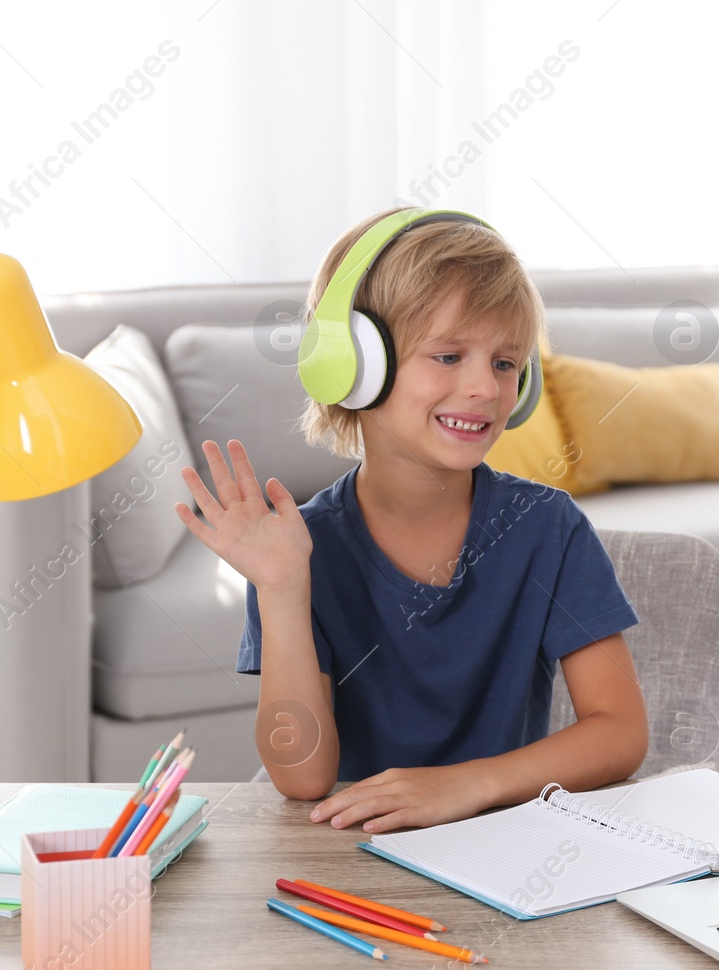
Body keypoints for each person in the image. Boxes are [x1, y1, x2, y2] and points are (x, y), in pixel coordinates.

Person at [173, 207, 647, 832]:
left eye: (506, 363)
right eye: (448, 356)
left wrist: (468, 785)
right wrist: (283, 591)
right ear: (355, 364)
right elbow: (303, 777)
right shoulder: (298, 549)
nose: (485, 387)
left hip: (505, 845)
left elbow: (620, 734)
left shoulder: (546, 527)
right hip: (355, 860)